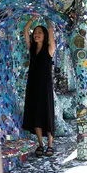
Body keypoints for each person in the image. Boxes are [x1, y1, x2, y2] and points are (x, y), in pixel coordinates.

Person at [22, 15, 56, 157]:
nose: (36, 35)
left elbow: (50, 29)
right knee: (35, 113)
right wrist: (33, 18)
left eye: (39, 33)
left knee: (47, 113)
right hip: (33, 86)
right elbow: (25, 30)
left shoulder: (50, 49)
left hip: (45, 87)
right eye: (35, 33)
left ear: (45, 35)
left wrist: (46, 17)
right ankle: (40, 145)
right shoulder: (32, 49)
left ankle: (50, 145)